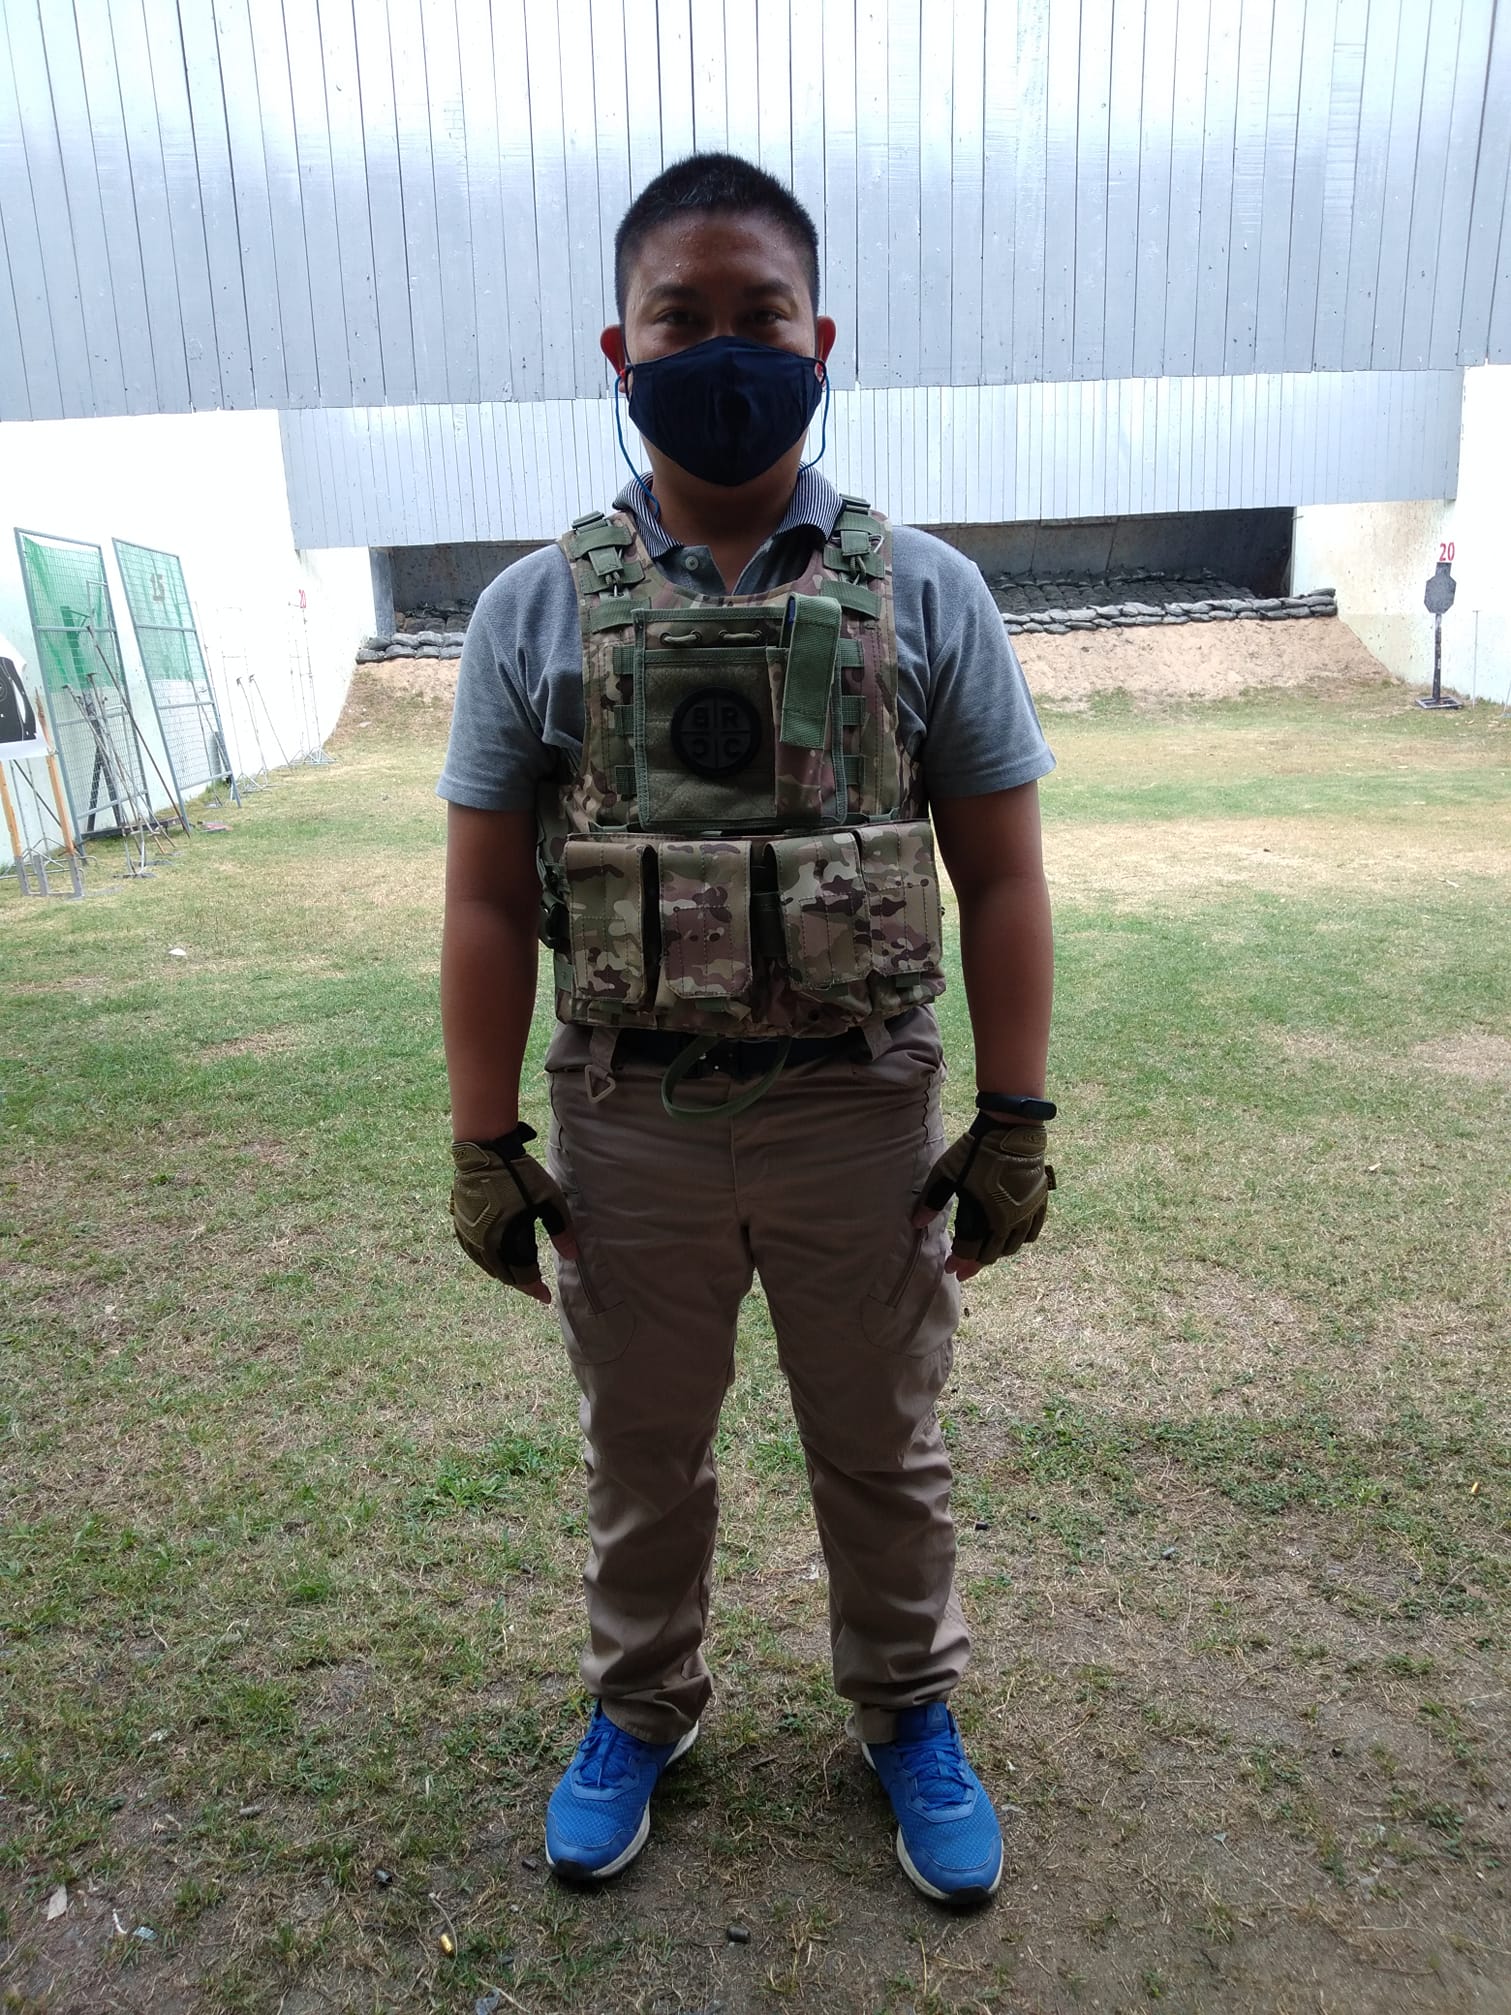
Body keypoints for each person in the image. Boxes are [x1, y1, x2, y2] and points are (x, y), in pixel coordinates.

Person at [439, 153, 1055, 1908]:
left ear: (821, 339)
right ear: (619, 351)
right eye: (680, 318)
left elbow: (1004, 876)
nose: (723, 350)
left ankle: (908, 1710)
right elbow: (485, 903)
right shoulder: (529, 610)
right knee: (644, 1449)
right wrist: (486, 1143)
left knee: (883, 1443)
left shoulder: (926, 592)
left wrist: (1015, 1116)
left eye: (759, 317)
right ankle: (641, 1709)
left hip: (858, 1108)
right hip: (629, 1114)